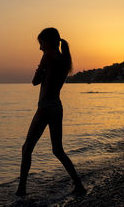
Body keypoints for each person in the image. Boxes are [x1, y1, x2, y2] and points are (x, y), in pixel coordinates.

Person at [16, 27, 86, 196]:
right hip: (57, 107)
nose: (40, 47)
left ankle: (21, 189)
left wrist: (41, 68)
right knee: (58, 150)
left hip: (45, 107)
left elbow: (34, 82)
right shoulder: (63, 59)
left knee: (27, 148)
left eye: (41, 43)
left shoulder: (48, 56)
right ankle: (78, 184)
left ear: (47, 42)